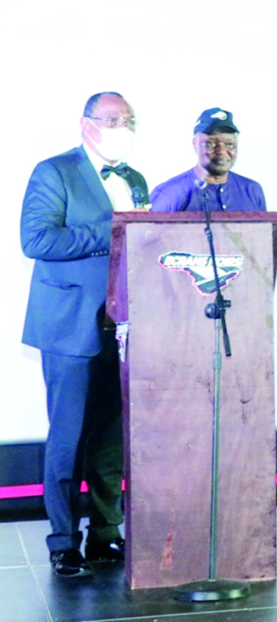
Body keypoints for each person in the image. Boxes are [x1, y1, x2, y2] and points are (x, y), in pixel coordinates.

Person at [20, 92, 149, 577]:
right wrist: (110, 229)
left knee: (110, 440)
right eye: (113, 119)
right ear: (86, 124)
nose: (123, 127)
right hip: (71, 324)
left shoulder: (135, 178)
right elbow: (36, 239)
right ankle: (61, 540)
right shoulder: (54, 172)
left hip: (123, 325)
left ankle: (104, 535)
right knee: (68, 438)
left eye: (129, 120)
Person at [150, 108, 266, 212]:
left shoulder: (252, 191)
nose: (221, 151)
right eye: (210, 143)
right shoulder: (169, 192)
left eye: (230, 144)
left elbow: (264, 234)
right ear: (195, 144)